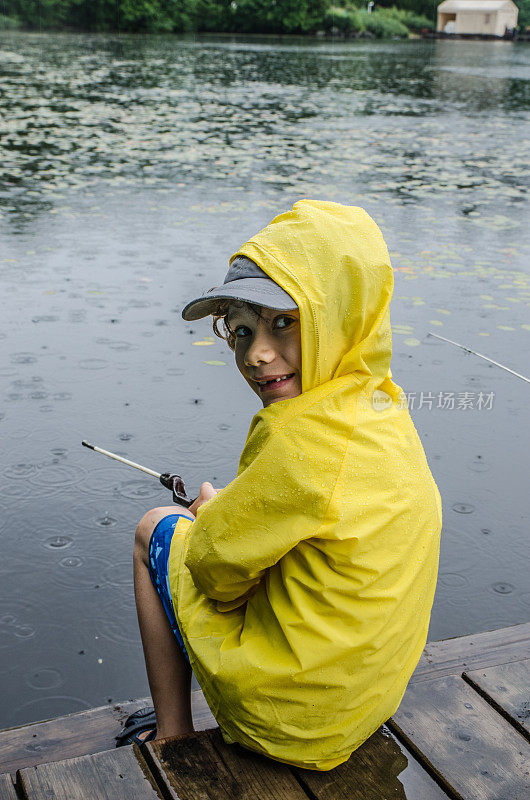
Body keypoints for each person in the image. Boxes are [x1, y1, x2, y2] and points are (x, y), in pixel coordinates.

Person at [117, 200, 442, 771]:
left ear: (339, 313)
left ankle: (173, 737)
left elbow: (215, 576)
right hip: (362, 707)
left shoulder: (297, 439)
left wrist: (213, 518)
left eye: (284, 322)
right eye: (241, 332)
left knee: (155, 531)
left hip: (287, 722)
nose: (256, 355)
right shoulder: (385, 408)